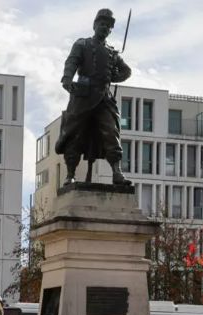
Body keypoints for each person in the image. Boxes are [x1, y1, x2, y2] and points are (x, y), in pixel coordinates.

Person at [55, 8, 132, 185]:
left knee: (111, 132)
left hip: (104, 98)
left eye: (108, 26)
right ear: (95, 25)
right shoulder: (82, 44)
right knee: (75, 133)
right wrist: (67, 79)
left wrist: (112, 77)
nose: (104, 27)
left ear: (110, 30)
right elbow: (72, 61)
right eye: (102, 23)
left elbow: (127, 71)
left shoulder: (112, 53)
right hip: (83, 95)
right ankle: (70, 174)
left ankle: (116, 172)